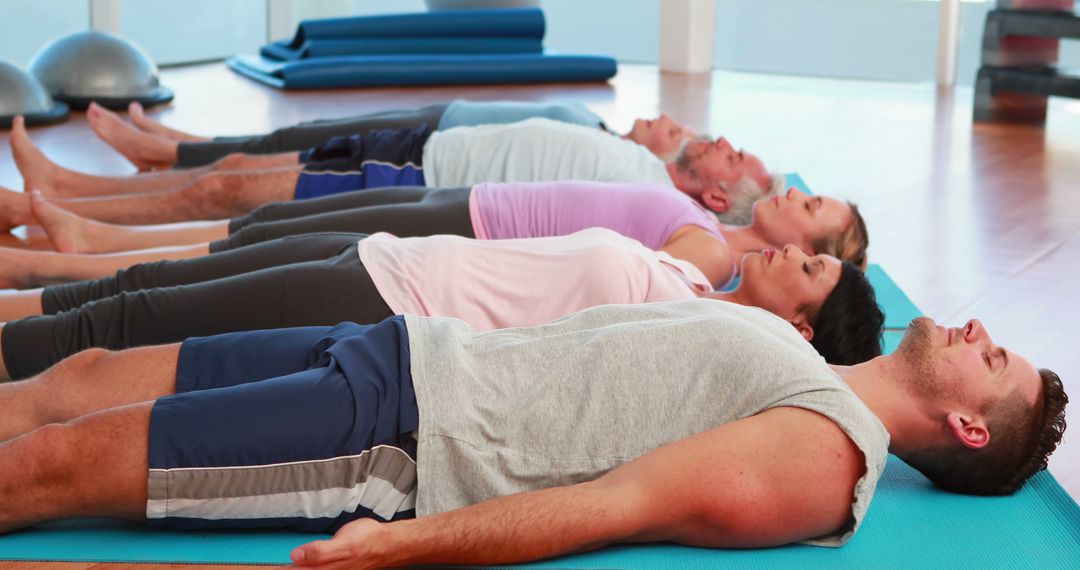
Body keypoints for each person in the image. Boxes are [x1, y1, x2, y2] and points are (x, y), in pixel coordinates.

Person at [0, 300, 1065, 570]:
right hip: (403, 345)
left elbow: (620, 507)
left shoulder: (830, 451)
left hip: (403, 429)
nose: (978, 333)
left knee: (47, 465)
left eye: (996, 357)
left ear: (969, 426)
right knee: (78, 378)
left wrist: (399, 543)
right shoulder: (805, 358)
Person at [0, 230, 882, 380]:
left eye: (808, 270)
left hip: (383, 296)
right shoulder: (697, 278)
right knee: (141, 291)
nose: (792, 255)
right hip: (389, 258)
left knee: (119, 329)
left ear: (798, 328)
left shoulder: (698, 326)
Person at [0, 181, 865, 291]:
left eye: (815, 213)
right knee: (268, 234)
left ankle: (61, 257)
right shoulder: (710, 223)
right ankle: (68, 247)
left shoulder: (708, 254)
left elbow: (598, 288)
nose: (798, 199)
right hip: (471, 209)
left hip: (467, 232)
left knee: (259, 248)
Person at [5, 115, 782, 228]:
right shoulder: (649, 162)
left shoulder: (656, 202)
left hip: (417, 180)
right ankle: (71, 191)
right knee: (235, 169)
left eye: (734, 156)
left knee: (227, 191)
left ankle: (73, 215)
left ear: (718, 194)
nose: (722, 141)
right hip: (427, 151)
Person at [85, 99, 687, 170]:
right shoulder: (600, 127)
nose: (665, 119)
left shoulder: (609, 155)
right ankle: (182, 147)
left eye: (675, 131)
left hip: (433, 141)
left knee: (304, 146)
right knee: (308, 131)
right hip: (440, 120)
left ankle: (167, 154)